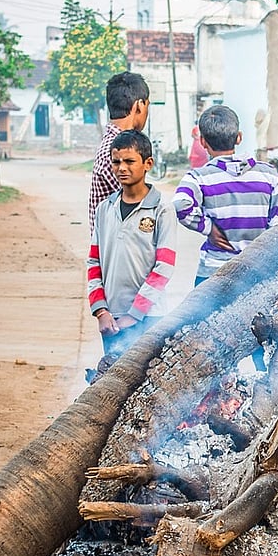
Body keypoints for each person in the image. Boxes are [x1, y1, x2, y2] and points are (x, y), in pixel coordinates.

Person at [87, 129, 177, 363]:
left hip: (150, 316)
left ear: (148, 163)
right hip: (112, 318)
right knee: (113, 381)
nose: (121, 168)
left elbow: (164, 267)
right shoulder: (105, 209)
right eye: (116, 162)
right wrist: (100, 311)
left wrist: (135, 314)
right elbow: (94, 262)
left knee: (146, 383)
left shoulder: (161, 210)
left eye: (129, 161)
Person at [174, 105, 278, 285]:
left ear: (203, 142)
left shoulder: (199, 177)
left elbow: (181, 204)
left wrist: (208, 227)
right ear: (239, 138)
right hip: (257, 273)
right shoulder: (268, 174)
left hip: (213, 273)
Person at [88, 71, 150, 233]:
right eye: (147, 106)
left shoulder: (114, 145)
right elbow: (138, 208)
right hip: (117, 249)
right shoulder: (116, 151)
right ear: (139, 106)